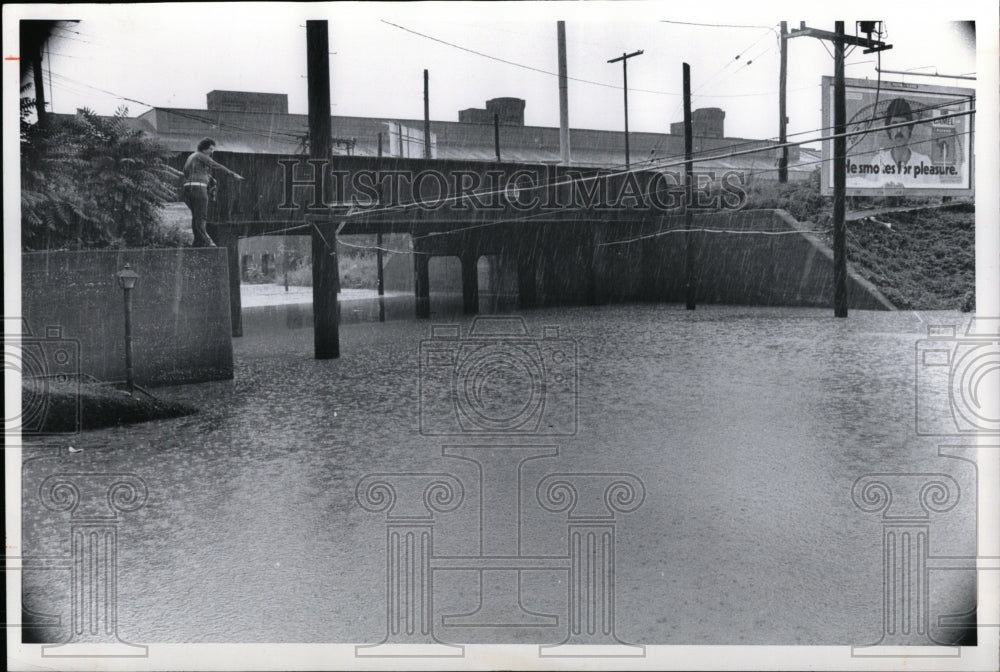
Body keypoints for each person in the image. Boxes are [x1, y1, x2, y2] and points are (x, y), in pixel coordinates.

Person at [182, 138, 243, 247]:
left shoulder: (191, 157)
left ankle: (197, 241)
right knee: (201, 217)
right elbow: (216, 165)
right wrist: (233, 174)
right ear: (204, 149)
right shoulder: (201, 156)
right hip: (198, 189)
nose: (212, 152)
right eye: (210, 149)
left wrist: (209, 178)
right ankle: (207, 241)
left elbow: (189, 172)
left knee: (196, 217)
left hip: (188, 189)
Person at [871, 97, 933, 173]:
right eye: (895, 124)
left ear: (909, 129)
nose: (899, 130)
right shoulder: (877, 161)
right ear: (889, 129)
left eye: (903, 124)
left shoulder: (924, 163)